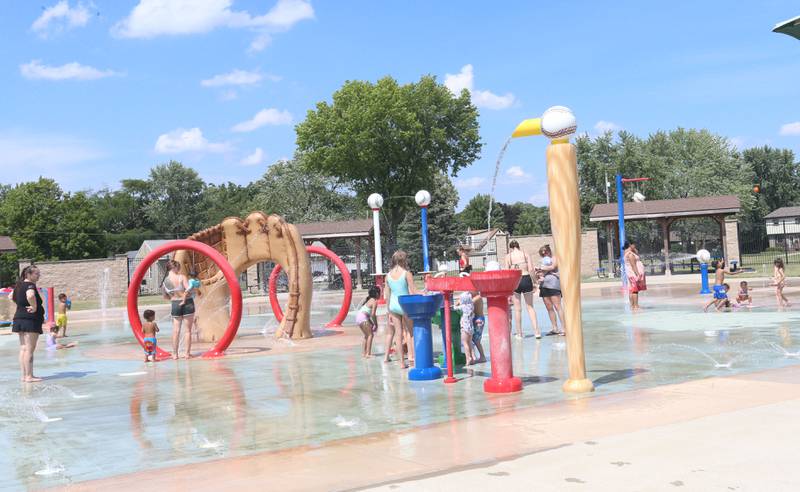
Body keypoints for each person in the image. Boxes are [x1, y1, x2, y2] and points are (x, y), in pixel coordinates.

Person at [12, 265, 45, 382]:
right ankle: (29, 376)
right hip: (30, 320)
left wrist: (21, 305)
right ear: (29, 275)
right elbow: (30, 295)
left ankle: (24, 376)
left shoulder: (18, 285)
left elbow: (11, 296)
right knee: (29, 349)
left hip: (19, 318)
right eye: (37, 274)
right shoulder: (30, 285)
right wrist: (35, 307)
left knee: (23, 348)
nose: (39, 276)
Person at [384, 250, 416, 368]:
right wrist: (423, 293)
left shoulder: (388, 275)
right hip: (405, 304)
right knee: (410, 332)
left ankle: (402, 362)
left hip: (393, 306)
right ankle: (413, 357)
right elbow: (413, 291)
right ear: (404, 260)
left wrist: (388, 312)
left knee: (398, 334)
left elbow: (387, 295)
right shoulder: (407, 273)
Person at [503, 240, 540, 339]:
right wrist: (535, 282)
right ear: (518, 246)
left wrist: (508, 287)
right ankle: (537, 332)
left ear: (511, 248)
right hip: (526, 278)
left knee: (517, 309)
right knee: (530, 307)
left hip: (515, 281)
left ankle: (519, 333)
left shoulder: (508, 257)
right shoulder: (525, 254)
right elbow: (531, 269)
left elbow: (507, 272)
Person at [162, 260, 195, 359]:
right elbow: (188, 290)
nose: (179, 269)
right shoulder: (182, 277)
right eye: (178, 267)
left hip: (175, 303)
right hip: (188, 303)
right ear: (174, 267)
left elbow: (165, 296)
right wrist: (193, 290)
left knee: (176, 331)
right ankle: (187, 354)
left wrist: (173, 298)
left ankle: (175, 354)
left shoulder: (165, 281)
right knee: (188, 330)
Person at [537, 244, 565, 336]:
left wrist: (541, 268)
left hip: (553, 285)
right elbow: (542, 272)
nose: (544, 255)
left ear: (549, 251)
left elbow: (552, 267)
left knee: (558, 306)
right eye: (542, 254)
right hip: (544, 285)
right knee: (549, 308)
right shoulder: (543, 261)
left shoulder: (555, 258)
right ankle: (554, 328)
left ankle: (564, 328)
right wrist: (539, 273)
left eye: (545, 253)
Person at [355, 287, 380, 358]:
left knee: (367, 335)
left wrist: (371, 323)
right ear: (377, 294)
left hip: (359, 317)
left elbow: (366, 313)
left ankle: (364, 353)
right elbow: (372, 314)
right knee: (370, 335)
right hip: (363, 318)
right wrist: (376, 324)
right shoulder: (374, 301)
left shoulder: (369, 300)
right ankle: (368, 354)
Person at [624, 241, 647, 311]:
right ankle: (636, 306)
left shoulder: (628, 252)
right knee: (635, 290)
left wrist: (634, 250)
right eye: (634, 245)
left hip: (631, 273)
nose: (635, 246)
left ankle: (632, 305)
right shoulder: (630, 254)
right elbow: (633, 265)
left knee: (632, 290)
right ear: (630, 245)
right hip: (633, 274)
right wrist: (638, 274)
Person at [454, 291, 475, 365]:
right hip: (471, 326)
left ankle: (468, 358)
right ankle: (473, 357)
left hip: (465, 326)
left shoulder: (463, 307)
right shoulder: (471, 305)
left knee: (464, 342)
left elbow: (454, 308)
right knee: (470, 342)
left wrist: (457, 303)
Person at [471, 291, 487, 363]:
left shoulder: (478, 297)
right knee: (472, 338)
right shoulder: (474, 297)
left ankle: (482, 356)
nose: (468, 292)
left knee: (476, 340)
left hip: (479, 320)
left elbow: (469, 303)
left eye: (470, 290)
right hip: (476, 319)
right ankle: (473, 356)